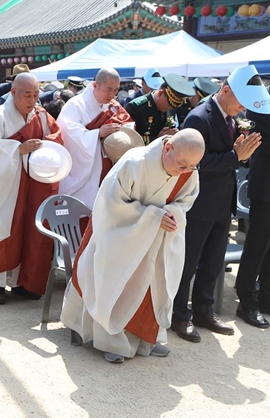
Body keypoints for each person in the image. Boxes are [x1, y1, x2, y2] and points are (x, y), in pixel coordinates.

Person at [61, 129, 204, 363]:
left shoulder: (188, 172)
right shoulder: (134, 161)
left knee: (153, 287)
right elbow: (110, 205)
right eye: (181, 164)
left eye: (191, 167)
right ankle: (109, 341)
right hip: (118, 235)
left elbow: (185, 201)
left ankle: (146, 339)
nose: (184, 171)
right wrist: (152, 216)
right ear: (168, 147)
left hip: (157, 240)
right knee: (114, 283)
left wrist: (171, 214)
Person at [171, 65, 270, 341]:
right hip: (200, 202)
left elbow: (236, 156)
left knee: (213, 262)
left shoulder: (230, 118)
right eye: (239, 101)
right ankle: (179, 313)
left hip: (222, 202)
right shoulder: (199, 117)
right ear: (225, 90)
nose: (242, 109)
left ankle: (204, 310)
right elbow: (194, 163)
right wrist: (235, 156)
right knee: (188, 262)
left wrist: (245, 152)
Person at [0, 72, 63, 304]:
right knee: (5, 226)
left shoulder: (41, 116)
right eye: (26, 95)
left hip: (33, 181)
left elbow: (57, 137)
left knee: (30, 229)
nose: (32, 100)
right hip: (7, 181)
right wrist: (18, 149)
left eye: (35, 94)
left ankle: (25, 282)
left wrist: (45, 146)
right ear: (13, 93)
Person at [235, 56, 270, 327]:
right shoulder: (262, 102)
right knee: (258, 244)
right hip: (267, 185)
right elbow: (264, 142)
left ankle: (269, 297)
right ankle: (247, 301)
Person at [57, 67, 133, 208]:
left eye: (116, 90)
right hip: (84, 166)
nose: (112, 94)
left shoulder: (113, 107)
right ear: (95, 85)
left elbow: (128, 126)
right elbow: (67, 134)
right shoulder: (75, 105)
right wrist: (97, 133)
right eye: (108, 89)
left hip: (106, 165)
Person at [126, 73, 195, 144]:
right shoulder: (136, 107)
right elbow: (128, 139)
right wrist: (157, 138)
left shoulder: (170, 108)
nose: (170, 108)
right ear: (160, 93)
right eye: (169, 104)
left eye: (173, 106)